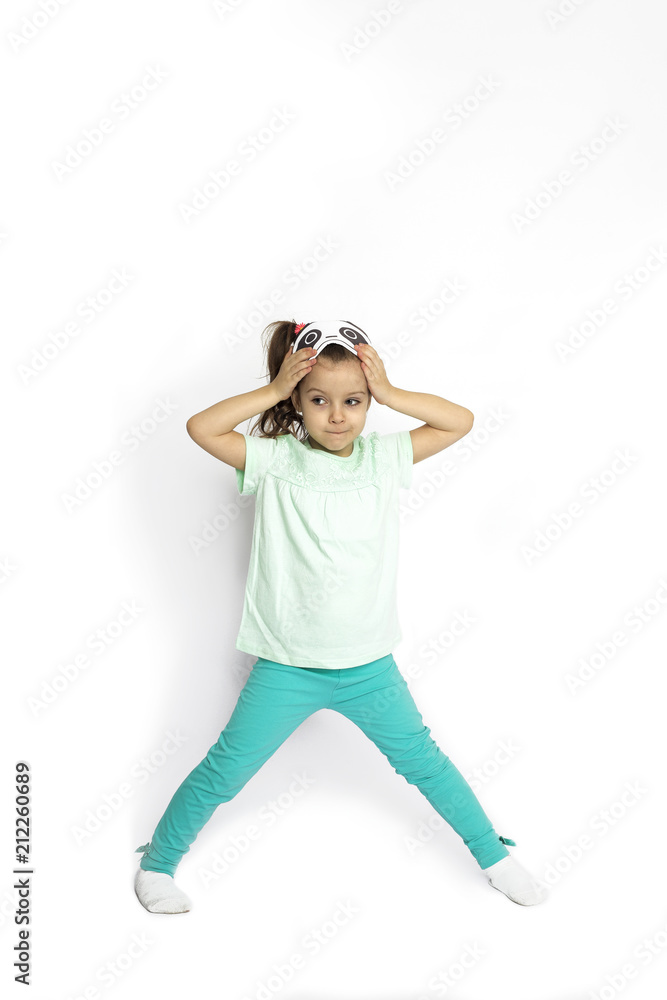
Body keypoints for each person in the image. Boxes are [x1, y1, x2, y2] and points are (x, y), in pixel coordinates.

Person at [134, 319, 547, 913]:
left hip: (369, 667)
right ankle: (159, 864)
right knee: (224, 771)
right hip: (287, 667)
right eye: (319, 400)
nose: (337, 415)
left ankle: (495, 858)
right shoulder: (274, 461)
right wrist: (275, 388)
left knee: (427, 765)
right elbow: (203, 427)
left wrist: (392, 391)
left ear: (368, 402)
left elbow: (461, 420)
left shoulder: (382, 457)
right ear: (298, 405)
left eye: (353, 401)